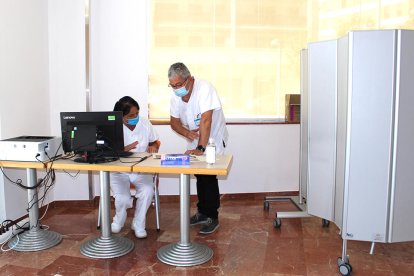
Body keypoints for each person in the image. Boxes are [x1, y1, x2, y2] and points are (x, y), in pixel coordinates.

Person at [167, 62, 229, 234]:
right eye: (172, 86)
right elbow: (174, 122)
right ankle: (202, 212)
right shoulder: (176, 96)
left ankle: (212, 216)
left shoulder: (204, 88)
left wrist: (201, 147)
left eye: (179, 85)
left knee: (208, 175)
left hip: (212, 139)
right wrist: (188, 134)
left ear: (190, 79)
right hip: (197, 139)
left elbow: (206, 120)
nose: (176, 89)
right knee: (199, 175)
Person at [110, 96, 160, 238]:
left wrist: (153, 147)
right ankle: (119, 220)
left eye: (137, 113)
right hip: (118, 169)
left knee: (147, 191)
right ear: (121, 115)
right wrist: (124, 149)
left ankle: (138, 224)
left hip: (141, 168)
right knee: (123, 198)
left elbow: (156, 142)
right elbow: (106, 152)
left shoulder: (144, 123)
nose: (136, 117)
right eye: (131, 115)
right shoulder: (113, 126)